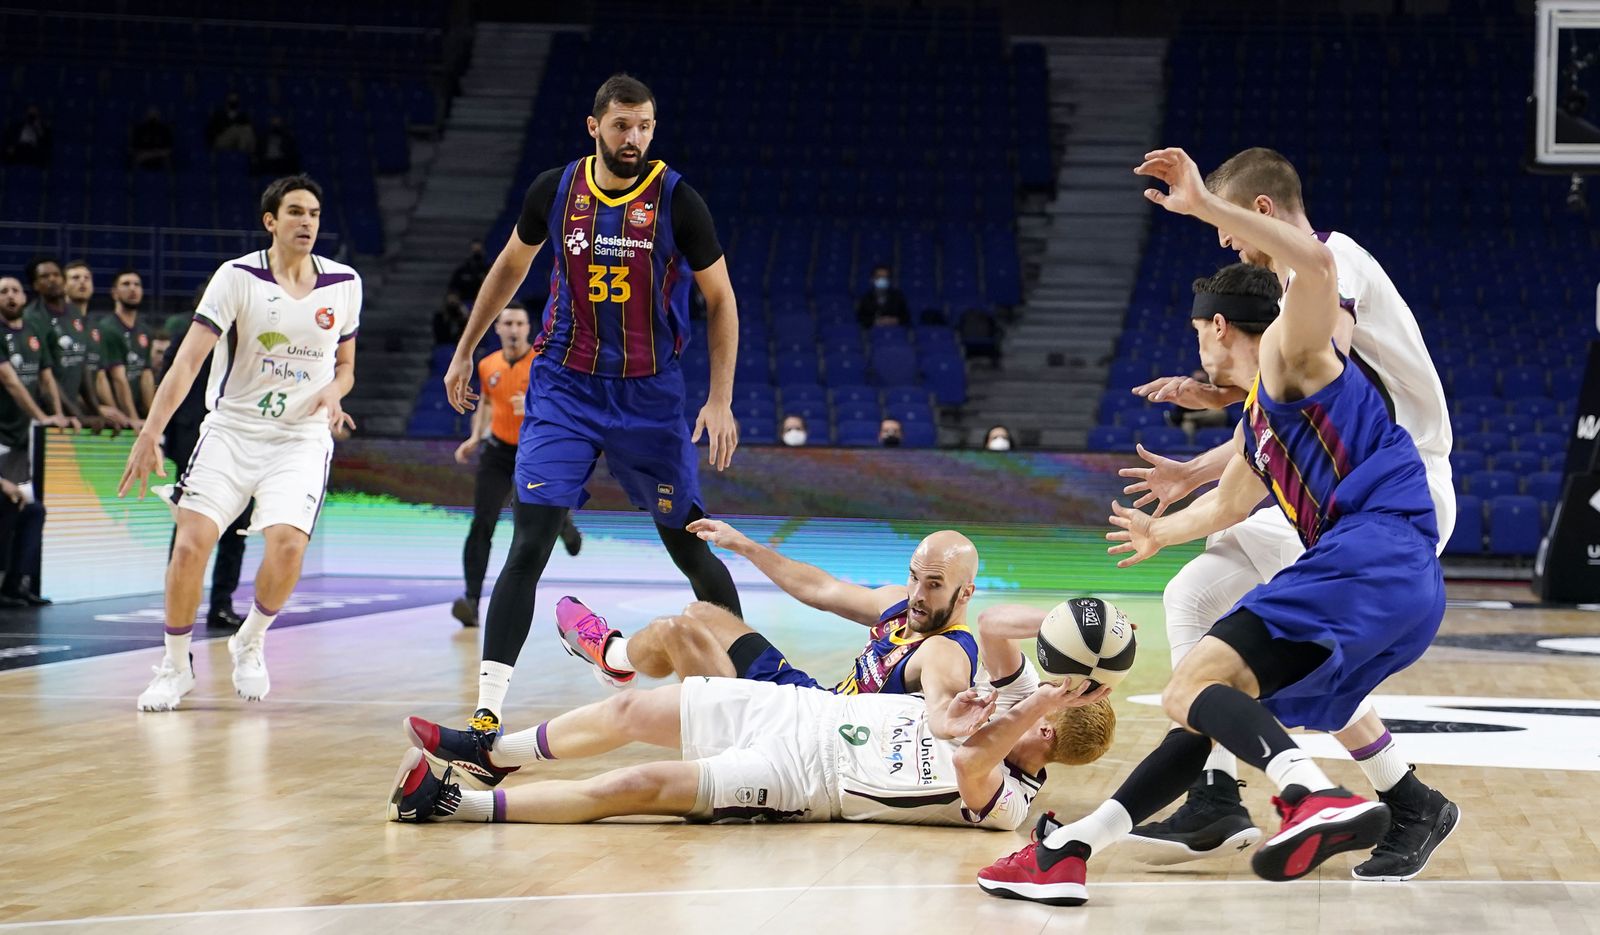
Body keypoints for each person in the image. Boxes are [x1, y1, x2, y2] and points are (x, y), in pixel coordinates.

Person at [978, 149, 1447, 904]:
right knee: (1207, 701)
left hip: (1376, 547)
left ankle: (1310, 793)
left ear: (1218, 326)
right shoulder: (1262, 414)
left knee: (1190, 680)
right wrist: (1162, 531)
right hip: (1393, 581)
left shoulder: (1295, 353)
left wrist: (1204, 207)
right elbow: (1230, 504)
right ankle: (1070, 849)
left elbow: (1319, 272)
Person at [1121, 148, 1458, 880]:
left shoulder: (1334, 261)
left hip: (1395, 488)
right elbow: (1275, 430)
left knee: (1280, 647)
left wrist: (1204, 201)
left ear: (1261, 213)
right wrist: (1198, 465)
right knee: (1196, 594)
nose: (1230, 246)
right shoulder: (1287, 299)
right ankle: (1225, 783)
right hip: (1339, 488)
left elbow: (1308, 392)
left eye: (1232, 232)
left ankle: (1366, 793)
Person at [439, 73, 742, 745]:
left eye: (643, 127)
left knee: (688, 540)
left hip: (649, 395)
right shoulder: (555, 189)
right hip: (566, 388)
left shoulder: (677, 200)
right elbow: (509, 271)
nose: (632, 138)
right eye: (621, 126)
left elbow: (721, 299)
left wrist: (719, 399)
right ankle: (487, 711)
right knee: (531, 541)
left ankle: (740, 696)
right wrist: (465, 350)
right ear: (594, 126)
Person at [389, 643, 1115, 829]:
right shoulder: (999, 712)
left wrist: (1033, 703)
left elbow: (969, 764)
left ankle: (460, 807)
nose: (1024, 703)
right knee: (629, 712)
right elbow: (990, 629)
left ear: (1047, 734)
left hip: (802, 781)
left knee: (634, 787)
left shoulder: (1012, 804)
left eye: (1040, 712)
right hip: (799, 714)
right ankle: (494, 752)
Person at [119, 174, 361, 711]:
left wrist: (334, 395)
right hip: (231, 430)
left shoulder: (344, 282)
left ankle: (250, 638)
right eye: (295, 212)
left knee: (288, 543)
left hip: (300, 437)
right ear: (270, 221)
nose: (307, 222)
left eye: (315, 213)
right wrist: (150, 432)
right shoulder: (237, 276)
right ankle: (175, 664)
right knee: (190, 544)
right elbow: (187, 361)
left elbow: (345, 369)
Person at [553, 522, 985, 740]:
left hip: (804, 736)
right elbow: (819, 587)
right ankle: (616, 661)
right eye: (914, 578)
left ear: (964, 593)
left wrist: (958, 722)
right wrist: (743, 545)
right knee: (701, 612)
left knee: (676, 631)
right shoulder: (899, 603)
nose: (917, 594)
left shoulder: (945, 652)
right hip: (811, 699)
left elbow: (943, 709)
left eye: (933, 585)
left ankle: (616, 658)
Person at [450, 303, 581, 628]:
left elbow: (565, 402)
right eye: (507, 323)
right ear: (497, 328)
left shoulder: (541, 362)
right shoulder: (486, 364)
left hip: (534, 452)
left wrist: (533, 403)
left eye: (519, 323)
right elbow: (487, 403)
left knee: (534, 523)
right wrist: (474, 437)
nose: (512, 329)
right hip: (497, 452)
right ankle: (471, 601)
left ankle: (562, 521)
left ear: (527, 328)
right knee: (482, 523)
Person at [158, 296, 252, 631]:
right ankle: (178, 603)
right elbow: (169, 378)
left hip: (242, 438)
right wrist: (163, 435)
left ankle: (222, 604)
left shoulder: (253, 329)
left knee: (239, 523)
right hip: (192, 437)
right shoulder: (191, 329)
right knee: (190, 522)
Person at [0, 276, 67, 606]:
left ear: (24, 297)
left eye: (15, 290)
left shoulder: (33, 331)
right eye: (3, 292)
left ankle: (16, 585)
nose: (10, 296)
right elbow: (10, 382)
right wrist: (42, 417)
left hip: (20, 441)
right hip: (2, 437)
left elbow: (46, 376)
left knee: (33, 510)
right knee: (8, 504)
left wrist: (56, 415)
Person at [97, 270, 156, 418]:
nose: (132, 288)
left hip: (136, 411)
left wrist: (151, 417)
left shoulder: (145, 330)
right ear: (114, 293)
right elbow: (118, 379)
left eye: (137, 285)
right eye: (126, 284)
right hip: (114, 415)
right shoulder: (107, 328)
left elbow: (146, 375)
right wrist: (132, 418)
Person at [855, 264, 910, 329]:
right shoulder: (866, 298)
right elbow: (861, 318)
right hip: (872, 331)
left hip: (895, 330)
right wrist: (876, 321)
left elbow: (906, 317)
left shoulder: (898, 296)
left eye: (885, 277)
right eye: (879, 277)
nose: (882, 279)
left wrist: (894, 320)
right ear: (872, 279)